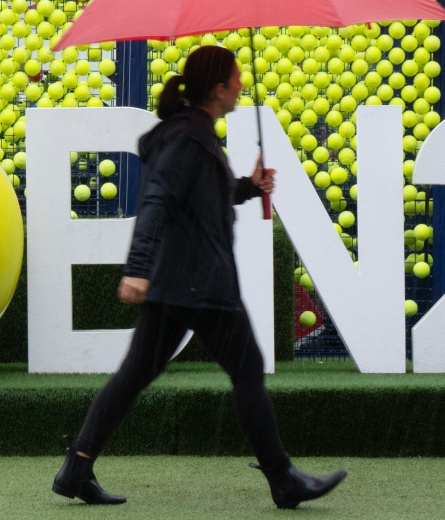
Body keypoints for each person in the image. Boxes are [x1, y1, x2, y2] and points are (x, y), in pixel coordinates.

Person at [52, 45, 347, 509]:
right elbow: (158, 200)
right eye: (236, 78)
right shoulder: (189, 138)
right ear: (218, 89)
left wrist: (249, 188)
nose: (242, 85)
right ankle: (282, 478)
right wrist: (136, 269)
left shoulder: (191, 134)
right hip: (201, 283)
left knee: (133, 376)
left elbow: (205, 196)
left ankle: (77, 466)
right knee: (247, 371)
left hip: (180, 282)